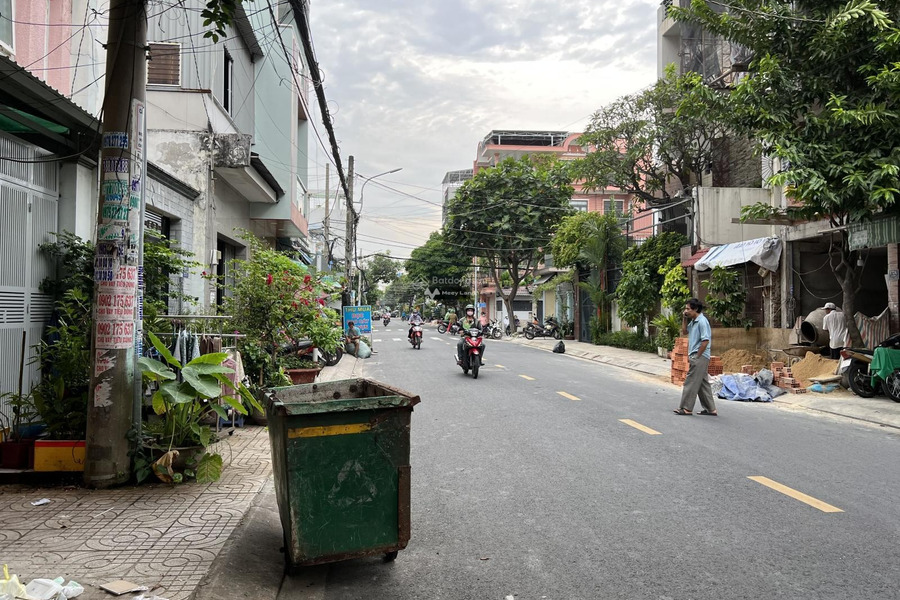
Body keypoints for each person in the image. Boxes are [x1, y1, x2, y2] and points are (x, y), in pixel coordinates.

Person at [675, 298, 717, 416]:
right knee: (703, 384)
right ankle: (711, 409)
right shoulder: (693, 321)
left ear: (696, 309)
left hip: (700, 356)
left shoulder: (702, 321)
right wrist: (684, 318)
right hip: (697, 356)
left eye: (688, 309)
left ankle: (686, 408)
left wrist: (697, 356)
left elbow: (705, 341)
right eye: (686, 308)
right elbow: (684, 332)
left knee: (691, 381)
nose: (686, 311)